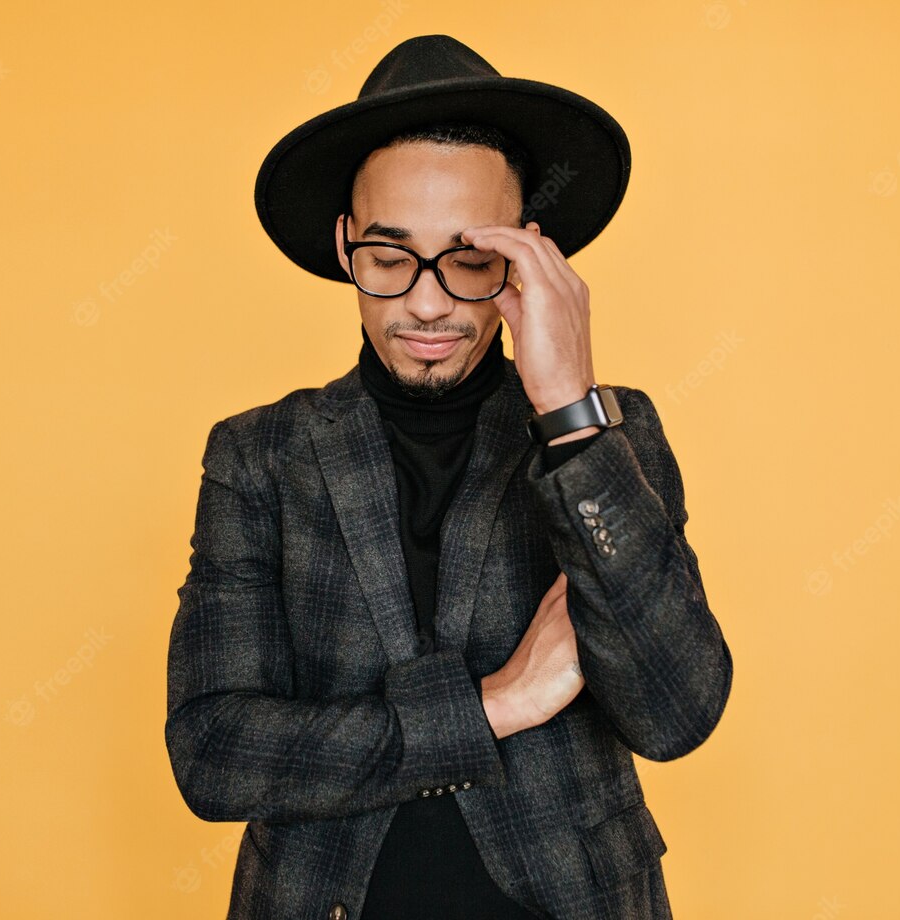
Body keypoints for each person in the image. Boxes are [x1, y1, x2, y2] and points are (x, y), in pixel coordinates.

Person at [165, 34, 734, 920]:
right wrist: (494, 706)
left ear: (524, 254)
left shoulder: (612, 431)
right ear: (346, 244)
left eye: (468, 260)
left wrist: (566, 408)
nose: (428, 302)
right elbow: (217, 752)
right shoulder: (259, 456)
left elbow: (675, 709)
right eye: (391, 259)